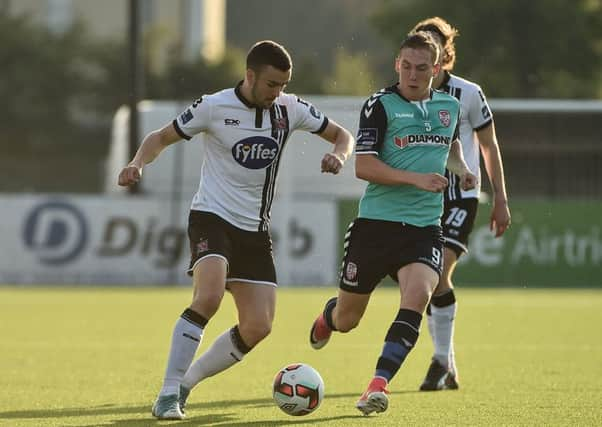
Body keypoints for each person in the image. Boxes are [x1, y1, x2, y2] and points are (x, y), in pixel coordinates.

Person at [118, 40, 354, 420]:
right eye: (273, 84)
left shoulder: (289, 109)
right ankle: (166, 393)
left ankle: (185, 384)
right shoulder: (213, 106)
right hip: (211, 216)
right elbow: (160, 137)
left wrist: (338, 155)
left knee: (258, 326)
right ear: (250, 76)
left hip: (255, 230)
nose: (279, 92)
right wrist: (137, 163)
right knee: (208, 296)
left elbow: (344, 135)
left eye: (284, 85)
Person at [308, 32, 477, 415]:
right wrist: (416, 178)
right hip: (376, 226)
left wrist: (463, 170)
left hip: (423, 227)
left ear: (436, 70)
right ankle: (328, 316)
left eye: (421, 68)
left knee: (418, 295)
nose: (413, 75)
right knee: (349, 319)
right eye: (406, 67)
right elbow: (364, 166)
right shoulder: (380, 106)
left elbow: (448, 148)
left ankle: (376, 386)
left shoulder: (449, 107)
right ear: (396, 65)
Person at [410, 17, 511, 391]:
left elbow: (489, 146)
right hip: (420, 196)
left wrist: (500, 197)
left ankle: (439, 361)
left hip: (461, 196)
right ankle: (448, 365)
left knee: (436, 272)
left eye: (433, 50)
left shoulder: (468, 93)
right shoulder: (405, 94)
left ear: (444, 56)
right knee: (429, 279)